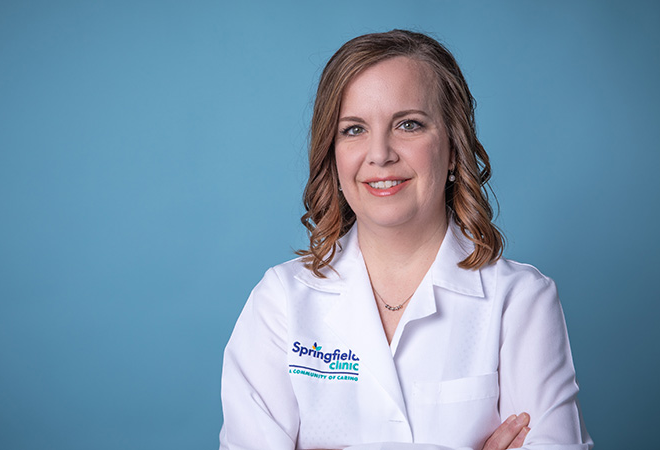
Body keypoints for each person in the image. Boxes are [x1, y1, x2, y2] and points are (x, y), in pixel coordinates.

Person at [219, 30, 592, 450]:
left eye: (408, 124)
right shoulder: (281, 301)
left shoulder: (519, 301)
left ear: (453, 147)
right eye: (354, 129)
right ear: (332, 151)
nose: (380, 154)